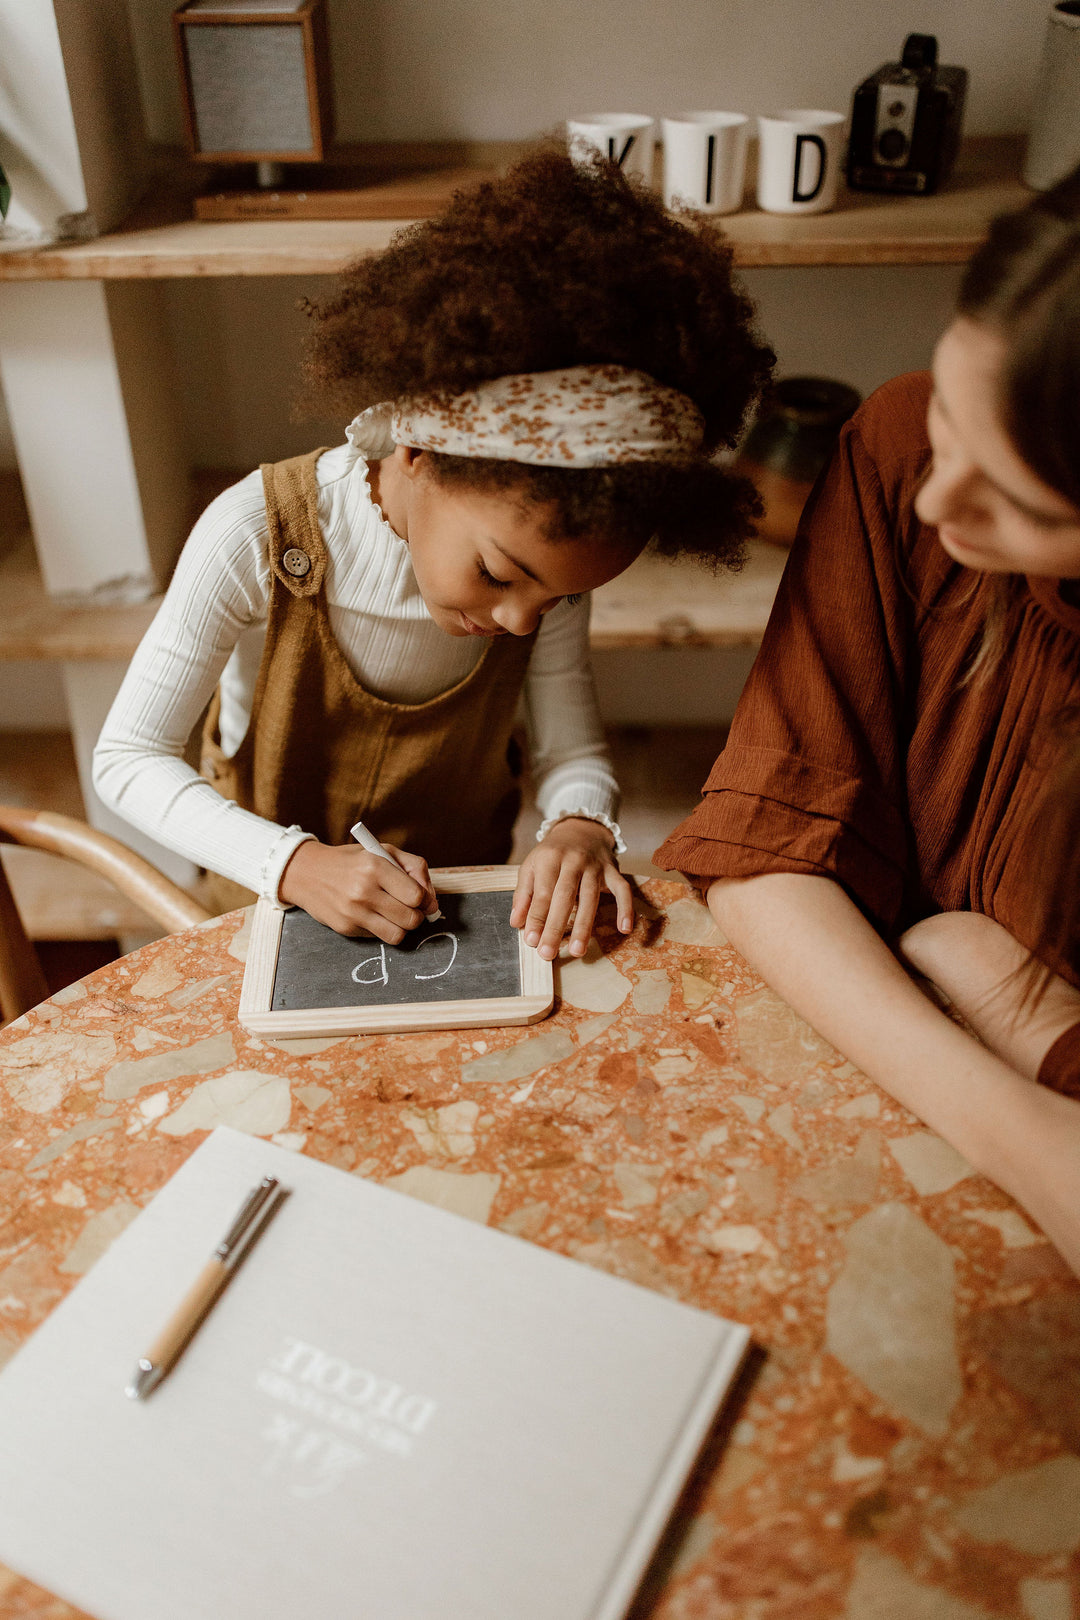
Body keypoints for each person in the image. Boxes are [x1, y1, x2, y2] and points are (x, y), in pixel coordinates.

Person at [94, 151, 772, 961]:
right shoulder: (253, 533)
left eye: (555, 601)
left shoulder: (542, 581)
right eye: (498, 573)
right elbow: (128, 759)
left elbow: (573, 752)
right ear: (417, 449)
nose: (521, 621)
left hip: (457, 915)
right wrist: (296, 866)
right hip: (267, 907)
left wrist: (581, 826)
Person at [655, 170, 1080, 1275]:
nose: (941, 507)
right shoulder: (895, 448)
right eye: (952, 413)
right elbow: (765, 856)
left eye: (1021, 498)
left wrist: (1028, 1018)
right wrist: (1033, 1137)